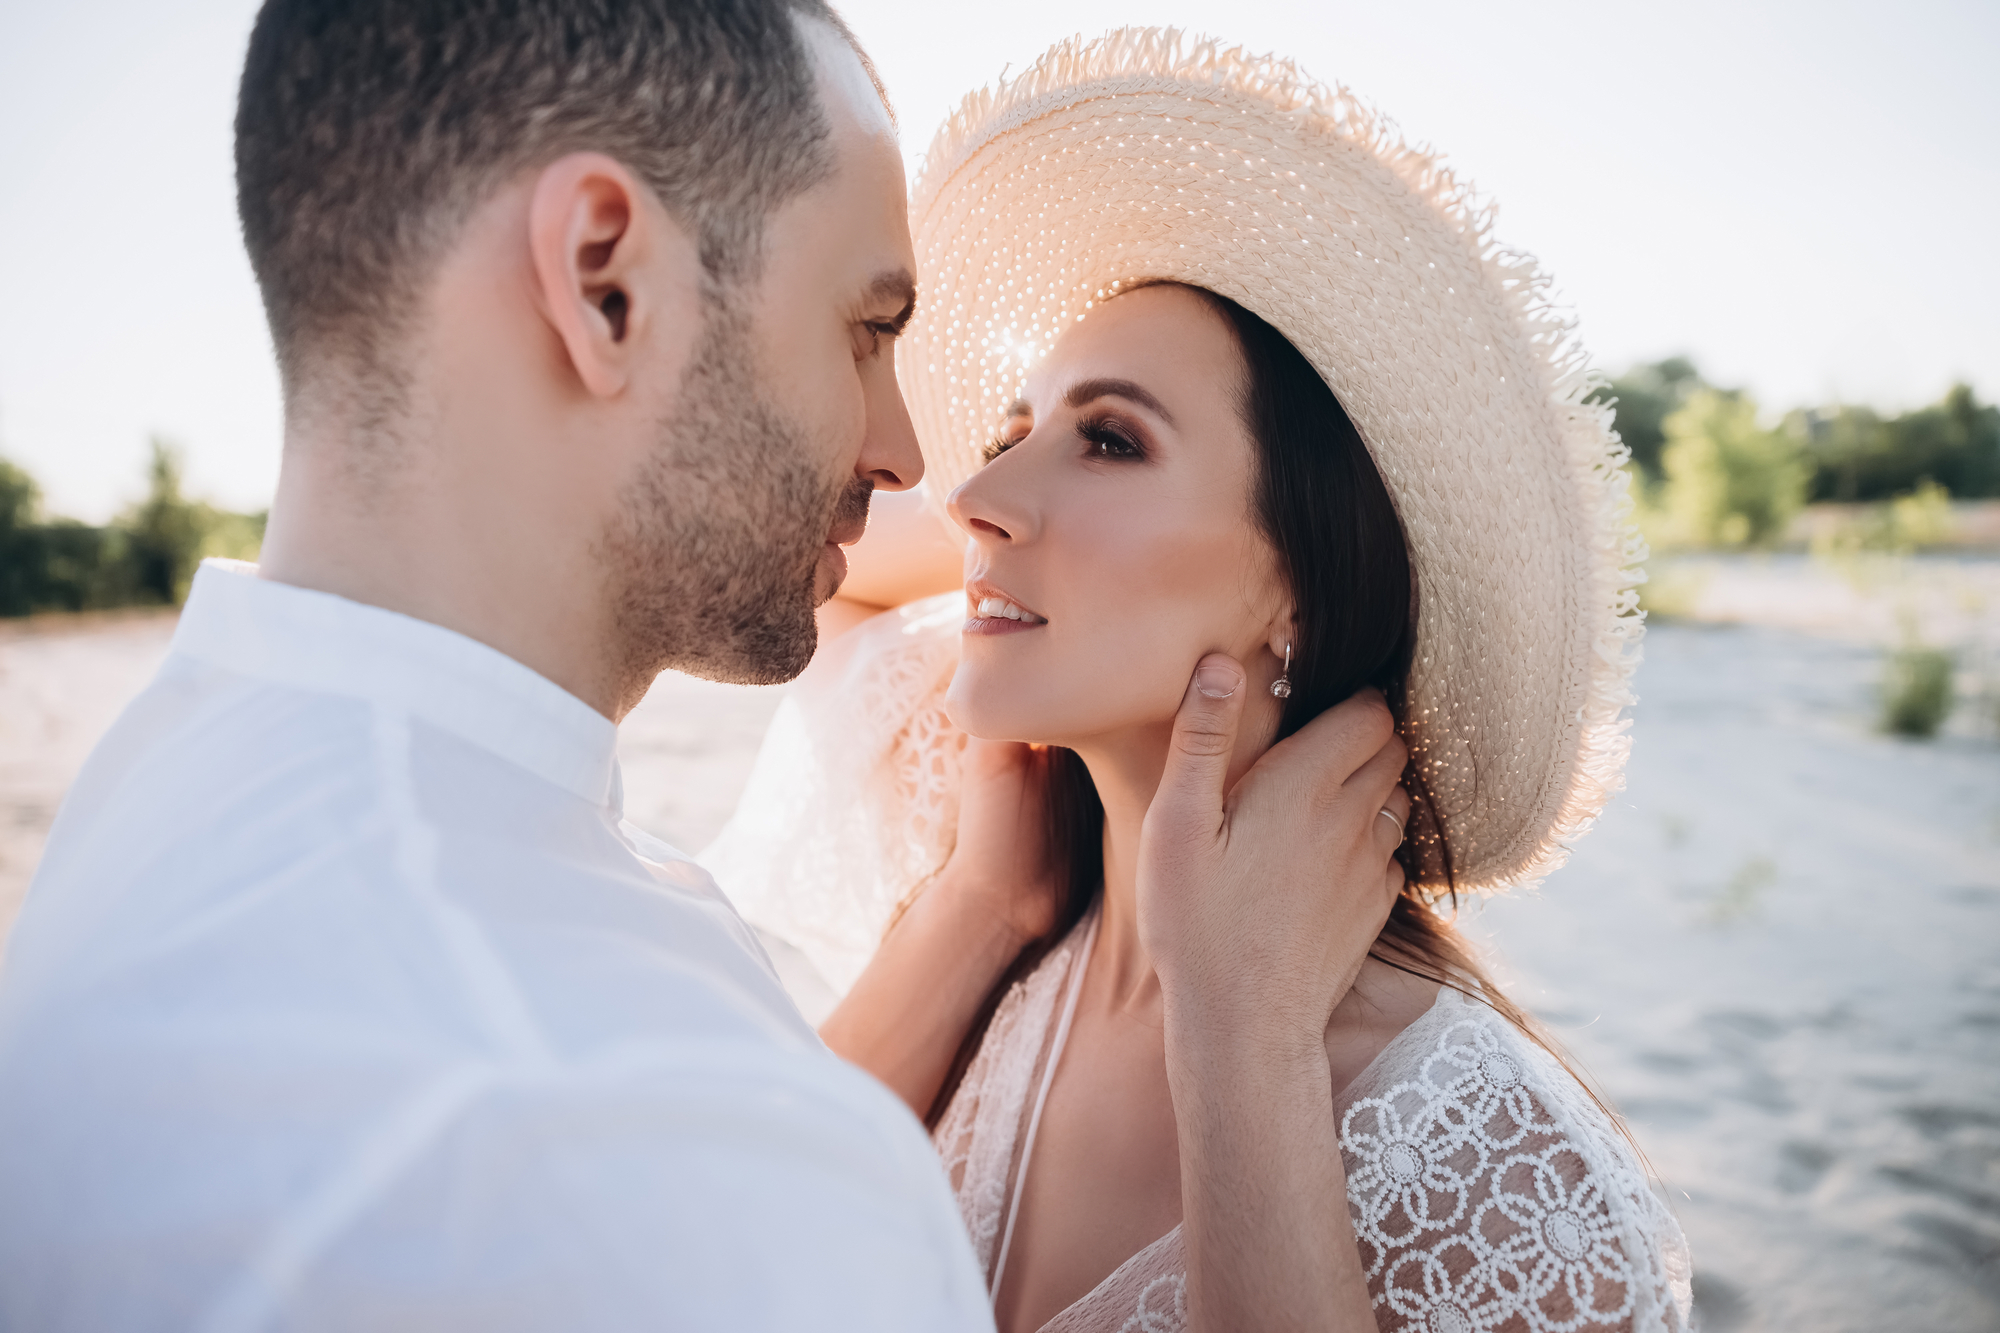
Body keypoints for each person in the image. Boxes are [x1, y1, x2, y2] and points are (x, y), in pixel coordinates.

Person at [0, 5, 1410, 1329]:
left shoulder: (180, 777)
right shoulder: (648, 1147)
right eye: (867, 329)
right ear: (606, 283)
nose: (915, 458)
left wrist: (987, 901)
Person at [702, 31, 1694, 1333]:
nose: (982, 499)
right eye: (1015, 432)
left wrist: (1245, 1041)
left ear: (1298, 589)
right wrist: (983, 904)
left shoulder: (1511, 1194)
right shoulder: (987, 882)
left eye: (1109, 440)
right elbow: (721, 1248)